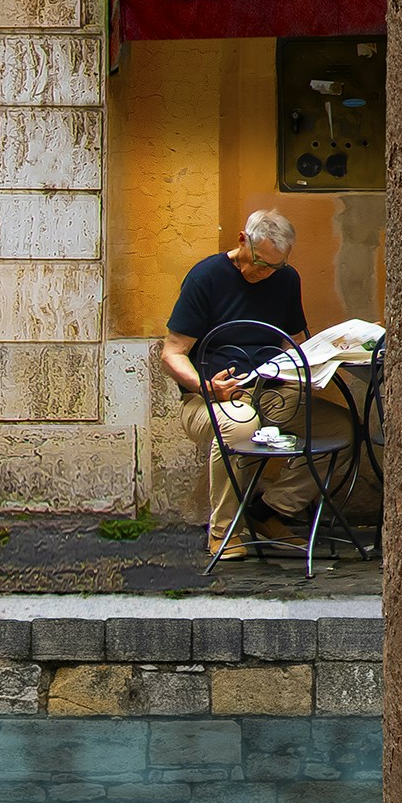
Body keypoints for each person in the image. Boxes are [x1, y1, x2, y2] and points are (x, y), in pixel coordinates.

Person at [163, 208, 319, 561]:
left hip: (271, 394)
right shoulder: (205, 278)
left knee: (340, 429)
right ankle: (224, 532)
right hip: (208, 400)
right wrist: (206, 386)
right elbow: (171, 353)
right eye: (260, 262)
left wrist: (313, 367)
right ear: (242, 241)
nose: (266, 273)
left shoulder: (285, 279)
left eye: (275, 267)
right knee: (241, 423)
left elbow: (293, 342)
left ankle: (267, 511)